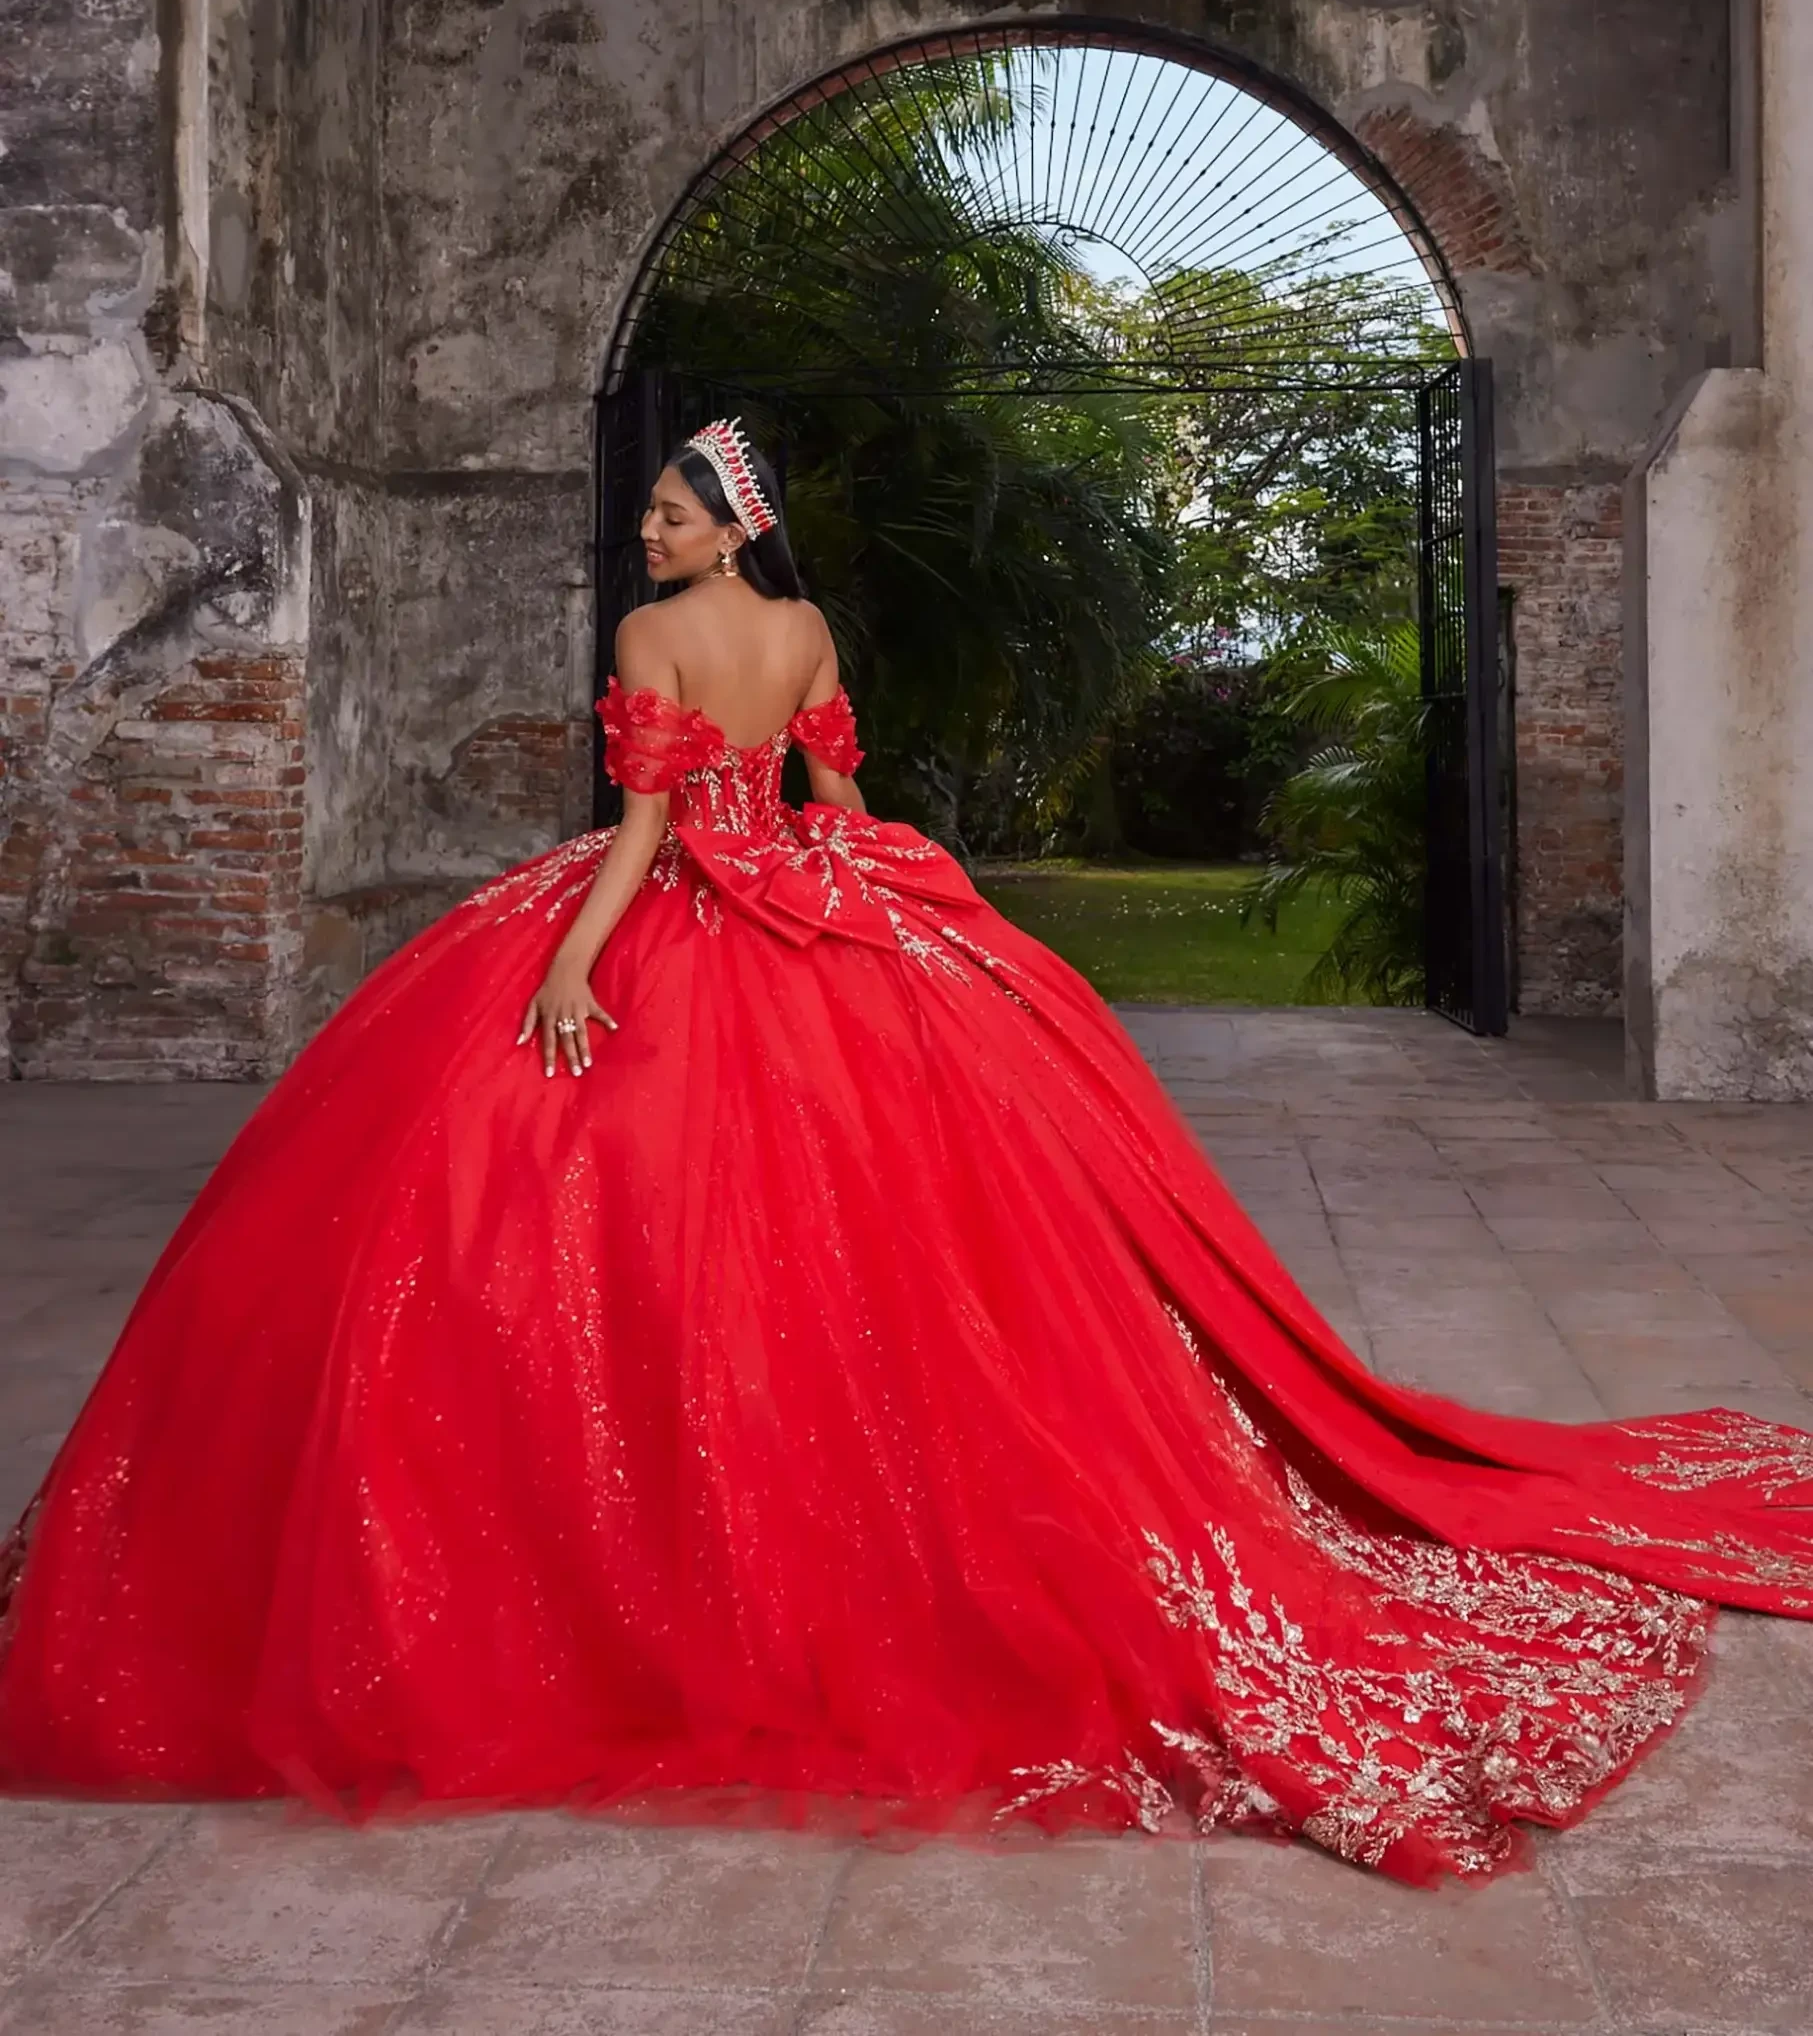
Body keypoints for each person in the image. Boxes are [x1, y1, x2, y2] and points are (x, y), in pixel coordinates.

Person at [3, 415, 1811, 1887]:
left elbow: (641, 833)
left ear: (730, 527)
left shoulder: (653, 643)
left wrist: (566, 960)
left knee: (536, 1211)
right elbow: (837, 802)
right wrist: (875, 895)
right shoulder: (806, 637)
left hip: (673, 920)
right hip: (812, 911)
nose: (645, 526)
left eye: (668, 505)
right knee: (861, 1231)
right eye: (646, 504)